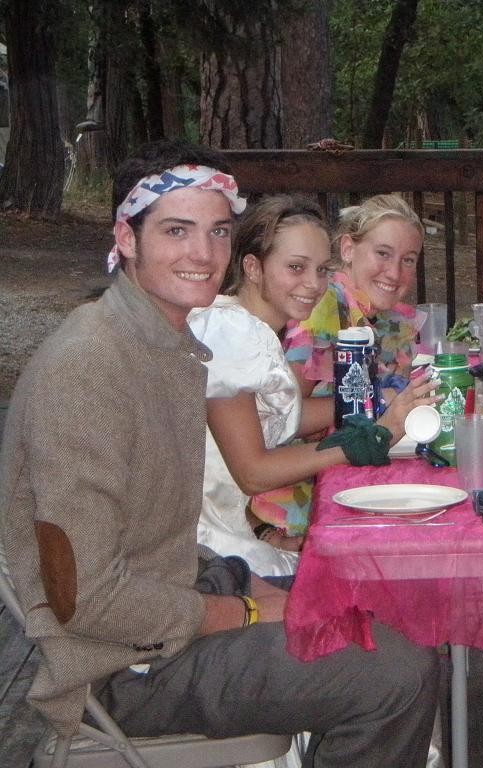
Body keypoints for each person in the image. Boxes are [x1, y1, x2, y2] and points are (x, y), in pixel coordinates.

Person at [0, 140, 439, 767]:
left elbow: (160, 541)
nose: (202, 254)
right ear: (126, 237)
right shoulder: (88, 371)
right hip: (124, 667)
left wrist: (241, 580)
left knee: (388, 601)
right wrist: (248, 607)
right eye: (177, 230)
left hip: (177, 602)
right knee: (393, 671)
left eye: (218, 231)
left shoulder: (168, 346)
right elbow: (90, 598)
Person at [187, 195, 437, 577]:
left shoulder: (255, 332)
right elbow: (251, 473)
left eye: (321, 270)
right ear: (253, 267)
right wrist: (362, 440)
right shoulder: (230, 332)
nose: (314, 285)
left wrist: (267, 532)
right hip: (208, 551)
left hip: (237, 527)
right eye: (295, 267)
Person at [284, 193, 424, 400]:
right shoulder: (323, 309)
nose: (394, 272)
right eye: (383, 253)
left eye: (408, 260)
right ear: (348, 249)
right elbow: (287, 414)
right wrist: (382, 398)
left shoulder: (393, 320)